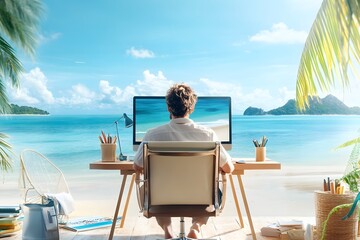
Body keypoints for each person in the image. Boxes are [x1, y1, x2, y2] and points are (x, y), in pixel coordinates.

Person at [133, 83, 234, 239]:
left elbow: (137, 166)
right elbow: (228, 168)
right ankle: (196, 226)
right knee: (212, 189)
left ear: (168, 108)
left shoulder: (152, 135)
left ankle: (167, 231)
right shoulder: (208, 134)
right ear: (191, 108)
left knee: (151, 186)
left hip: (160, 200)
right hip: (200, 200)